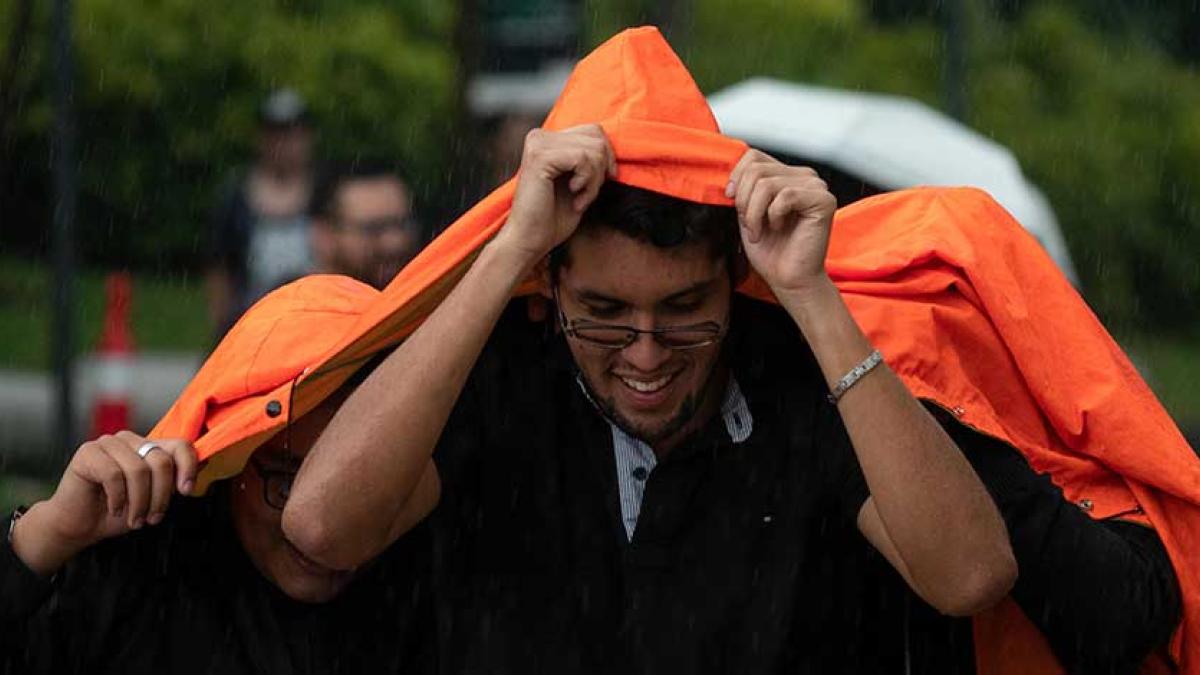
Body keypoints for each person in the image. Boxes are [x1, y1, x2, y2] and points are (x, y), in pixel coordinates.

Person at [282, 115, 1018, 672]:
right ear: (551, 282)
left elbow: (970, 575)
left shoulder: (793, 379)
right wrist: (506, 249)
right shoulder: (501, 370)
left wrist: (810, 293)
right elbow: (323, 527)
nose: (644, 352)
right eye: (603, 313)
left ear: (733, 283)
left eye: (683, 309)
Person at [1, 293, 432, 674]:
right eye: (286, 483)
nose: (321, 531)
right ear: (229, 463)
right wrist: (43, 538)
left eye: (368, 486)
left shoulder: (440, 587)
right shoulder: (138, 572)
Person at [207, 88, 319, 337]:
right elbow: (220, 268)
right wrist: (223, 327)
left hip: (313, 323)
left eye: (292, 134)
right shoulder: (236, 197)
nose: (284, 144)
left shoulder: (325, 194)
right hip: (249, 325)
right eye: (276, 135)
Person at [310, 160, 423, 290]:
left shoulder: (436, 301)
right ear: (324, 235)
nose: (395, 243)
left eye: (403, 225)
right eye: (373, 229)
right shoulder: (295, 306)